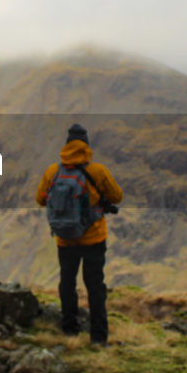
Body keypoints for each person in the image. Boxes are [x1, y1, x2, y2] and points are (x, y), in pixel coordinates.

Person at [35, 123, 123, 345]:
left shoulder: (53, 172)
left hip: (65, 238)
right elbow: (117, 196)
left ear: (66, 146)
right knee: (95, 286)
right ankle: (98, 338)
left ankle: (69, 331)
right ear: (87, 146)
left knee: (67, 282)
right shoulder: (97, 171)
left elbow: (40, 199)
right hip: (93, 238)